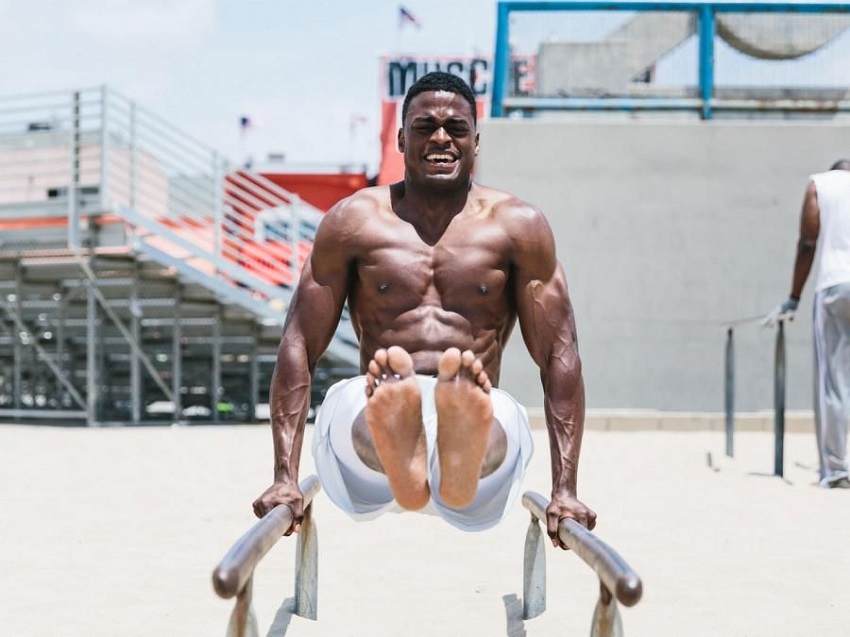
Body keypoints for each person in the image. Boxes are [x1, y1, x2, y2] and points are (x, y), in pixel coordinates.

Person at [253, 71, 596, 545]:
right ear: (400, 138)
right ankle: (410, 442)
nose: (441, 138)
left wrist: (565, 489)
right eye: (424, 127)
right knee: (362, 408)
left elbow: (560, 354)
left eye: (455, 128)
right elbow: (298, 345)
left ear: (476, 141)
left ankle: (453, 442)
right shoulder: (355, 222)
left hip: (471, 421)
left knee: (492, 419)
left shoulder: (518, 226)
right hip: (382, 409)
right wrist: (283, 478)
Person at [765, 159, 850, 489]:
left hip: (835, 284)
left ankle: (838, 469)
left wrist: (794, 296)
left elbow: (808, 241)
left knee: (834, 380)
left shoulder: (820, 184)